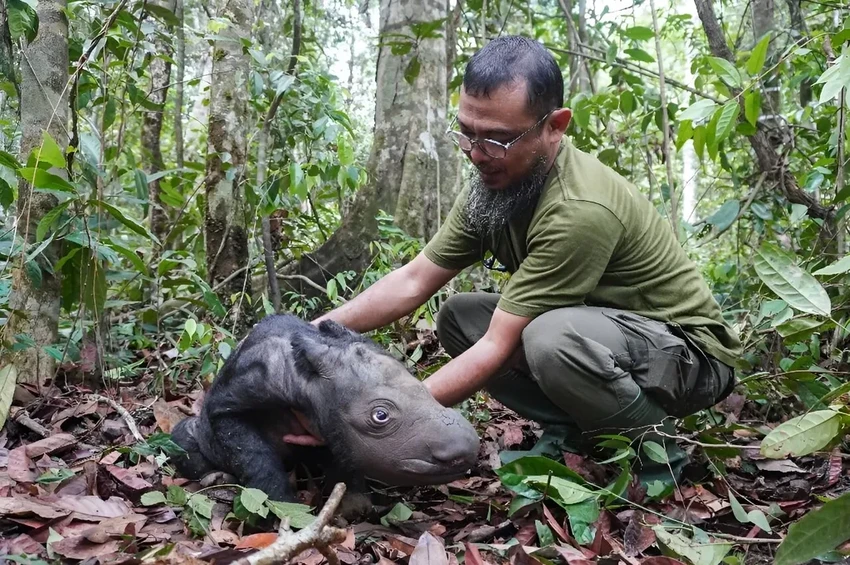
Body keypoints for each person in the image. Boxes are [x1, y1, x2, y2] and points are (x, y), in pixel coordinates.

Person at [288, 35, 742, 481]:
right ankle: (573, 431)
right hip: (605, 336)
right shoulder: (497, 183)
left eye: (498, 139)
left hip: (690, 356)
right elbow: (414, 280)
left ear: (555, 126)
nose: (477, 154)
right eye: (467, 133)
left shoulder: (579, 209)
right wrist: (304, 336)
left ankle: (657, 453)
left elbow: (497, 345)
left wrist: (381, 422)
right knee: (460, 317)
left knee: (551, 338)